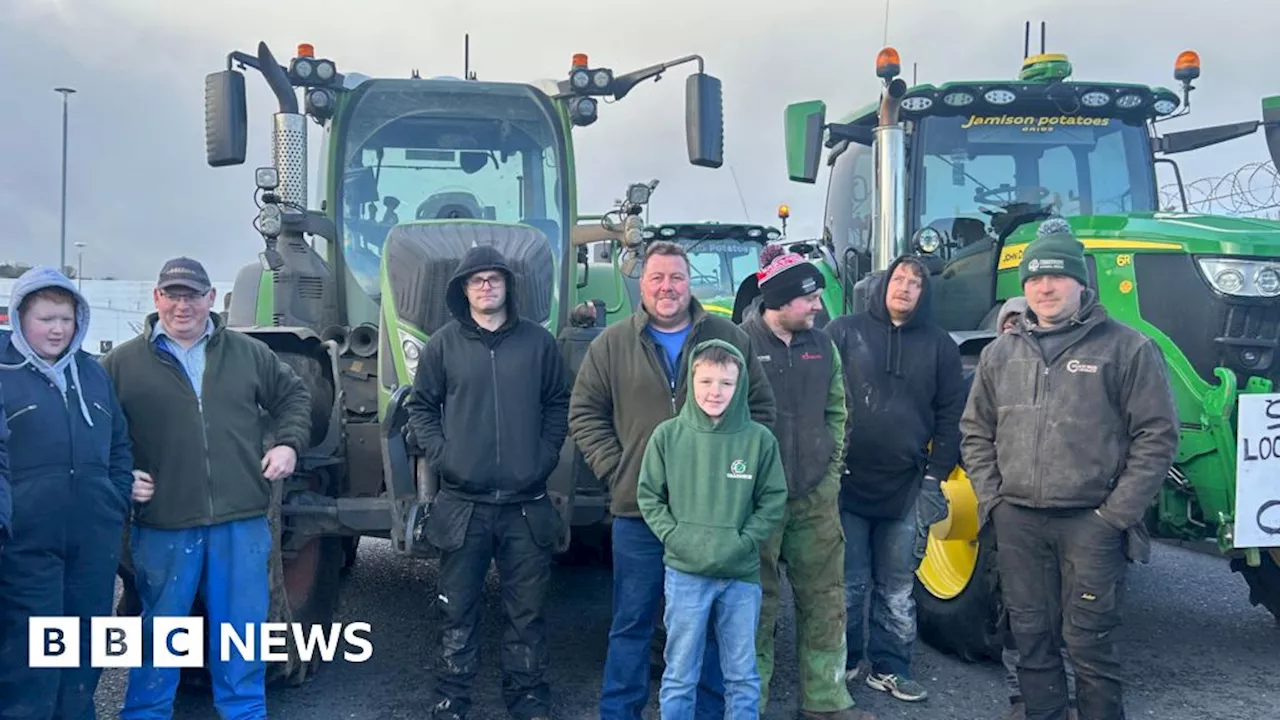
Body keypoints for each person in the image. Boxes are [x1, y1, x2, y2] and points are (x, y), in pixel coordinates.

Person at [960, 218, 1179, 720]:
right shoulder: (1000, 354)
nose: (1045, 286)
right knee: (1031, 639)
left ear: (1081, 282)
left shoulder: (1127, 349)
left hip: (1091, 523)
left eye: (1057, 276)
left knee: (1090, 644)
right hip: (1018, 520)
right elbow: (975, 431)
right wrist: (994, 501)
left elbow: (1157, 435)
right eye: (1035, 278)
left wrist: (1114, 517)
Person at [568, 240, 776, 720]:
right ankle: (620, 712)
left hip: (714, 516)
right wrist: (618, 469)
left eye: (677, 278)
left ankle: (706, 713)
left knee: (707, 627)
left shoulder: (727, 337)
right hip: (639, 514)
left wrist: (739, 479)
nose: (667, 287)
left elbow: (761, 410)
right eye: (657, 278)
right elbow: (584, 413)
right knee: (633, 621)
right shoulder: (613, 344)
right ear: (641, 284)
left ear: (690, 283)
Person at [102, 256, 312, 720]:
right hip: (164, 523)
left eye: (193, 295)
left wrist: (290, 445)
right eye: (172, 295)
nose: (182, 305)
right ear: (156, 298)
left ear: (210, 300)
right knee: (159, 632)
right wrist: (121, 475)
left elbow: (295, 395)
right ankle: (146, 713)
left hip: (241, 520)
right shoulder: (121, 364)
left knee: (241, 632)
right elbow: (95, 429)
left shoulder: (248, 353)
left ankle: (243, 713)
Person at [406, 245, 572, 720]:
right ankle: (451, 700)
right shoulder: (443, 345)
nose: (486, 285)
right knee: (455, 610)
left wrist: (544, 454)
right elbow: (421, 406)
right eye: (476, 280)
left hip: (526, 504)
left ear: (508, 285)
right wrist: (444, 455)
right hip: (464, 504)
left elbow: (559, 402)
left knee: (528, 612)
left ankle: (529, 699)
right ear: (463, 289)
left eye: (494, 278)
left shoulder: (538, 344)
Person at [0, 267, 148, 718]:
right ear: (21, 317)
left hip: (92, 540)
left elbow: (119, 444)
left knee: (84, 647)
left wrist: (114, 496)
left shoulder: (91, 373)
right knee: (29, 652)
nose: (57, 329)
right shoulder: (4, 372)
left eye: (65, 319)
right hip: (26, 542)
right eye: (46, 319)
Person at [826, 255, 967, 704]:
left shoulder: (941, 345)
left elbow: (951, 415)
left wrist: (935, 477)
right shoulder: (843, 333)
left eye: (915, 282)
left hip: (905, 487)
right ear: (883, 284)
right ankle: (844, 661)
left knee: (897, 587)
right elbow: (815, 397)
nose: (905, 287)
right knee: (847, 584)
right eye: (899, 279)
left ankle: (890, 668)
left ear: (925, 294)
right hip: (846, 484)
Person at [739, 251, 873, 720]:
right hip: (756, 498)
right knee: (755, 604)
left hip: (816, 496)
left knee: (825, 598)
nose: (817, 306)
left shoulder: (822, 347)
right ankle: (747, 705)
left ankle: (826, 701)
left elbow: (838, 411)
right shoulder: (738, 345)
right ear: (779, 300)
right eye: (809, 298)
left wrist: (830, 471)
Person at [636, 339, 788, 720]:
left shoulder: (759, 440)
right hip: (686, 573)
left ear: (739, 387)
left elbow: (772, 501)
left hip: (740, 576)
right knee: (680, 674)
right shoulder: (668, 436)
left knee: (741, 674)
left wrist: (744, 541)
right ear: (692, 381)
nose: (714, 392)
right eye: (705, 382)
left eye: (726, 383)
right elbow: (650, 496)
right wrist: (675, 537)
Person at [992, 295, 1077, 720]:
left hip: (1069, 514)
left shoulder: (1064, 378)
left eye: (1020, 322)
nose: (1014, 329)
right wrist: (993, 500)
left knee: (1071, 614)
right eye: (1007, 322)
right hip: (1011, 513)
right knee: (1019, 617)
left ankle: (1070, 696)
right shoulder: (991, 371)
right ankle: (1022, 696)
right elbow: (973, 434)